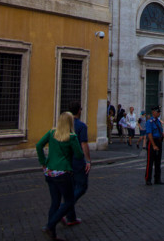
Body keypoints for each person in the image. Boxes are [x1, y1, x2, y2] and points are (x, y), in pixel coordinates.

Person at [36, 111, 84, 240]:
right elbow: (79, 155)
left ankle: (52, 233)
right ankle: (50, 225)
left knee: (55, 202)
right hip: (63, 172)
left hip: (50, 172)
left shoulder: (52, 133)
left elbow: (39, 145)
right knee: (69, 201)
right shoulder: (72, 136)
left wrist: (43, 162)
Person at [62, 102, 91, 226]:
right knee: (82, 187)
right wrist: (88, 160)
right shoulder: (81, 126)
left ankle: (71, 217)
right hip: (77, 160)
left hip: (66, 159)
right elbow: (84, 144)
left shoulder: (64, 125)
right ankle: (64, 209)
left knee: (72, 187)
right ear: (79, 111)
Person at [145, 106, 164, 185]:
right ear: (153, 112)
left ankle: (157, 179)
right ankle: (148, 179)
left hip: (159, 141)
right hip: (152, 142)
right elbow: (149, 134)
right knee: (150, 161)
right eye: (158, 112)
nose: (159, 113)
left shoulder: (158, 121)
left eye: (159, 112)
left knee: (158, 161)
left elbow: (160, 130)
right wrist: (153, 145)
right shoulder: (149, 122)